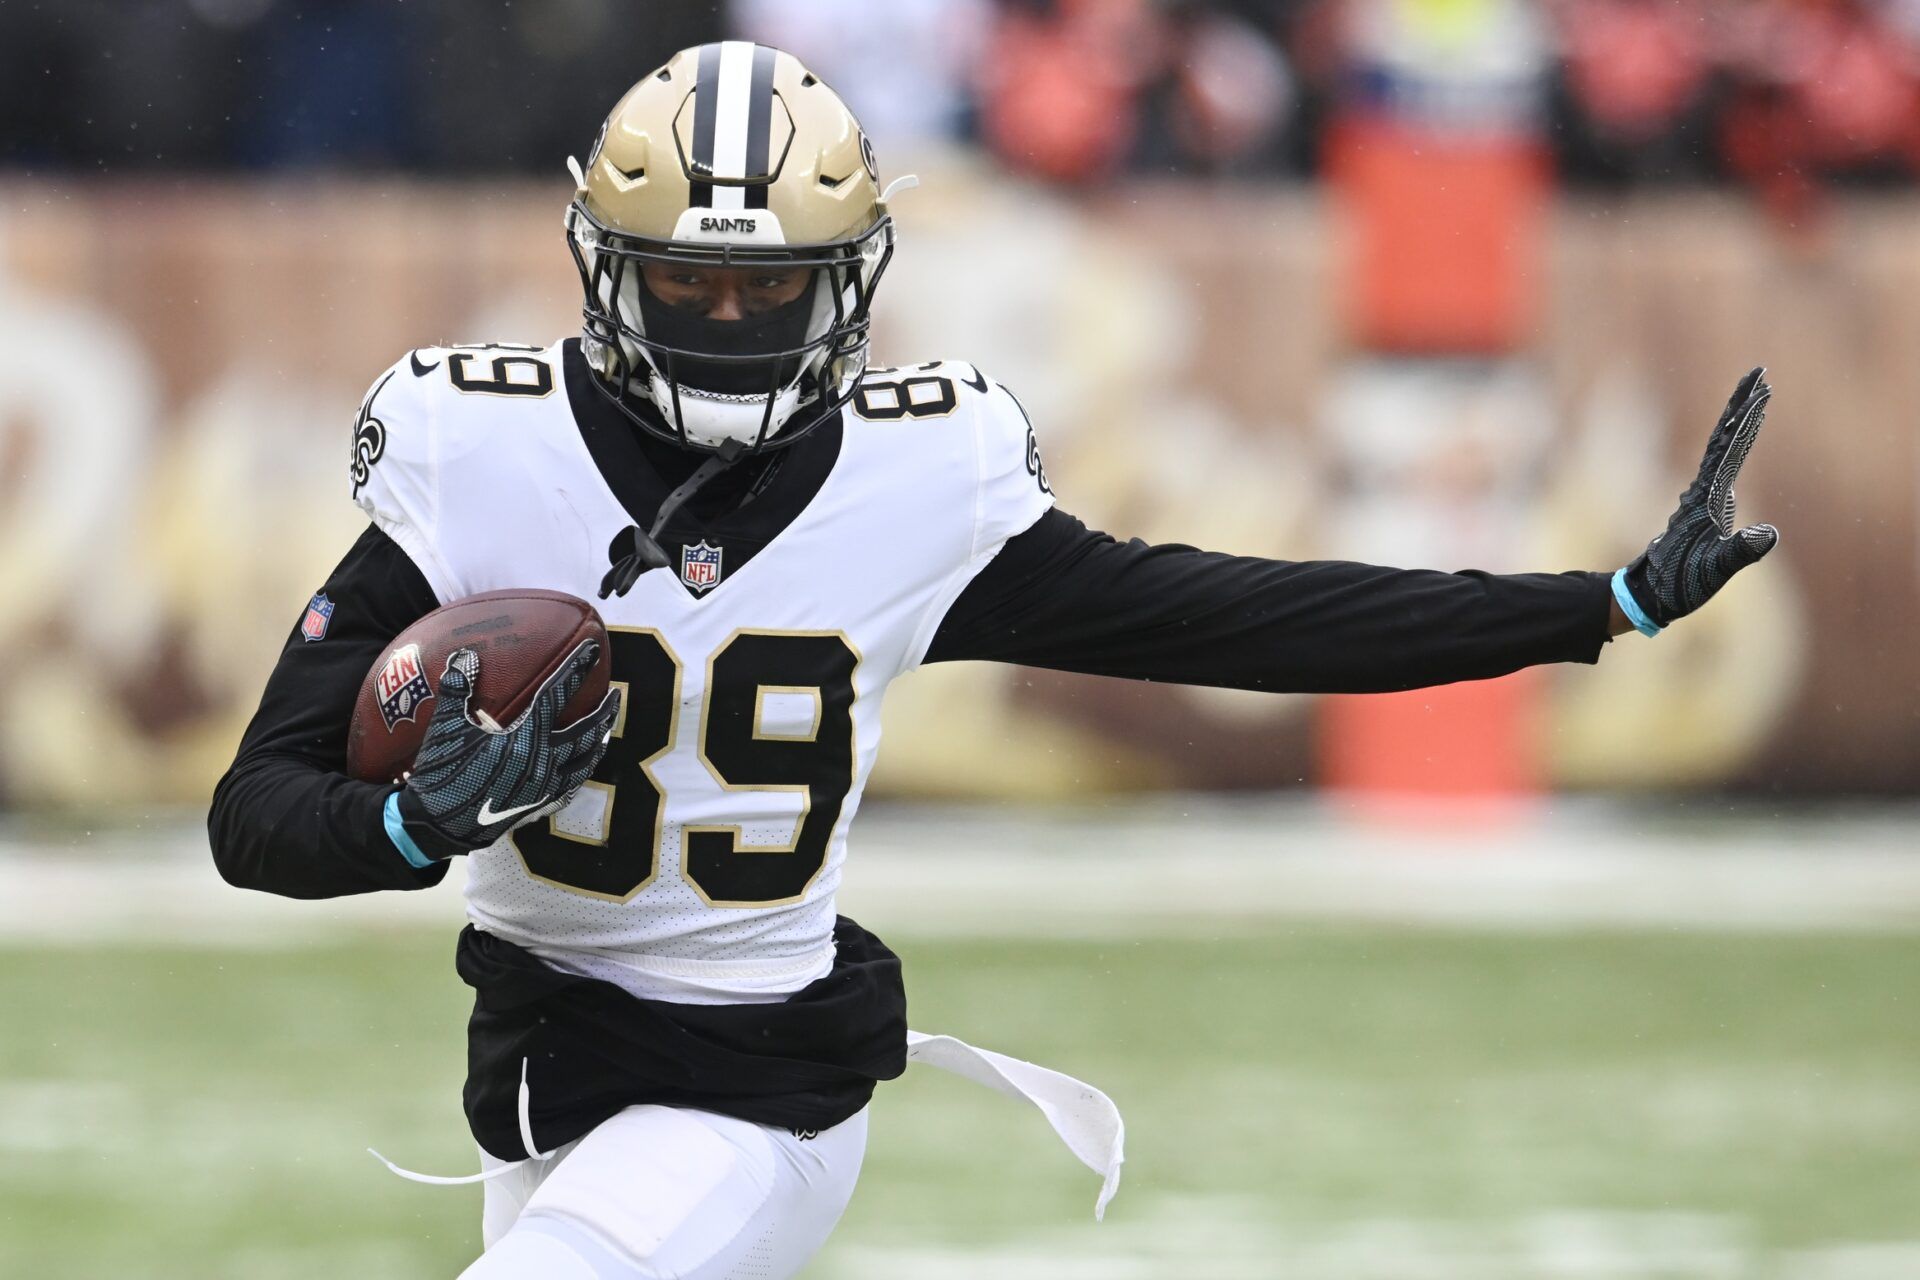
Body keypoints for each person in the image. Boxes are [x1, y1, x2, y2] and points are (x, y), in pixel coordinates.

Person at [207, 41, 1780, 1280]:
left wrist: (1600, 605)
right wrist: (412, 827)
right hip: (547, 1070)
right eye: (688, 281)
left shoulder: (921, 488)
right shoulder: (476, 454)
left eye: (773, 292)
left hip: (756, 1084)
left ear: (856, 282)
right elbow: (255, 815)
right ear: (604, 263)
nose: (728, 323)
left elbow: (1245, 617)